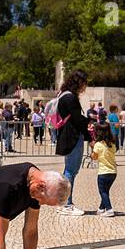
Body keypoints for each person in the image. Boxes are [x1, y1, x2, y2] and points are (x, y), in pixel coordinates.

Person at [54, 69, 90, 215]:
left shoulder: (64, 95)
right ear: (79, 83)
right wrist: (90, 136)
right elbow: (77, 120)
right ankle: (66, 204)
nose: (84, 88)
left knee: (69, 171)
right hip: (73, 137)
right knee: (71, 171)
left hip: (68, 136)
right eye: (84, 84)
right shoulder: (70, 98)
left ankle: (62, 202)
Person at [91, 121, 118, 217]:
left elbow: (94, 157)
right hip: (113, 172)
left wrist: (92, 148)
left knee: (102, 192)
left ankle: (109, 209)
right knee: (105, 191)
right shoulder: (113, 144)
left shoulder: (98, 145)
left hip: (103, 172)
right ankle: (101, 208)